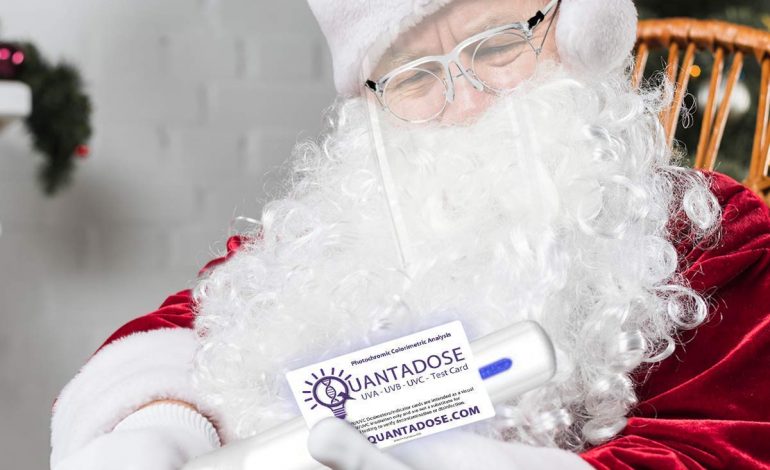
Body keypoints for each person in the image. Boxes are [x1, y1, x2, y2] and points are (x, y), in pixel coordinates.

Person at [50, 0, 770, 469]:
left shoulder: (714, 235)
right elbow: (200, 323)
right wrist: (157, 422)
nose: (465, 102)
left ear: (575, 30)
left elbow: (735, 441)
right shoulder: (342, 229)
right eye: (415, 77)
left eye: (496, 46)